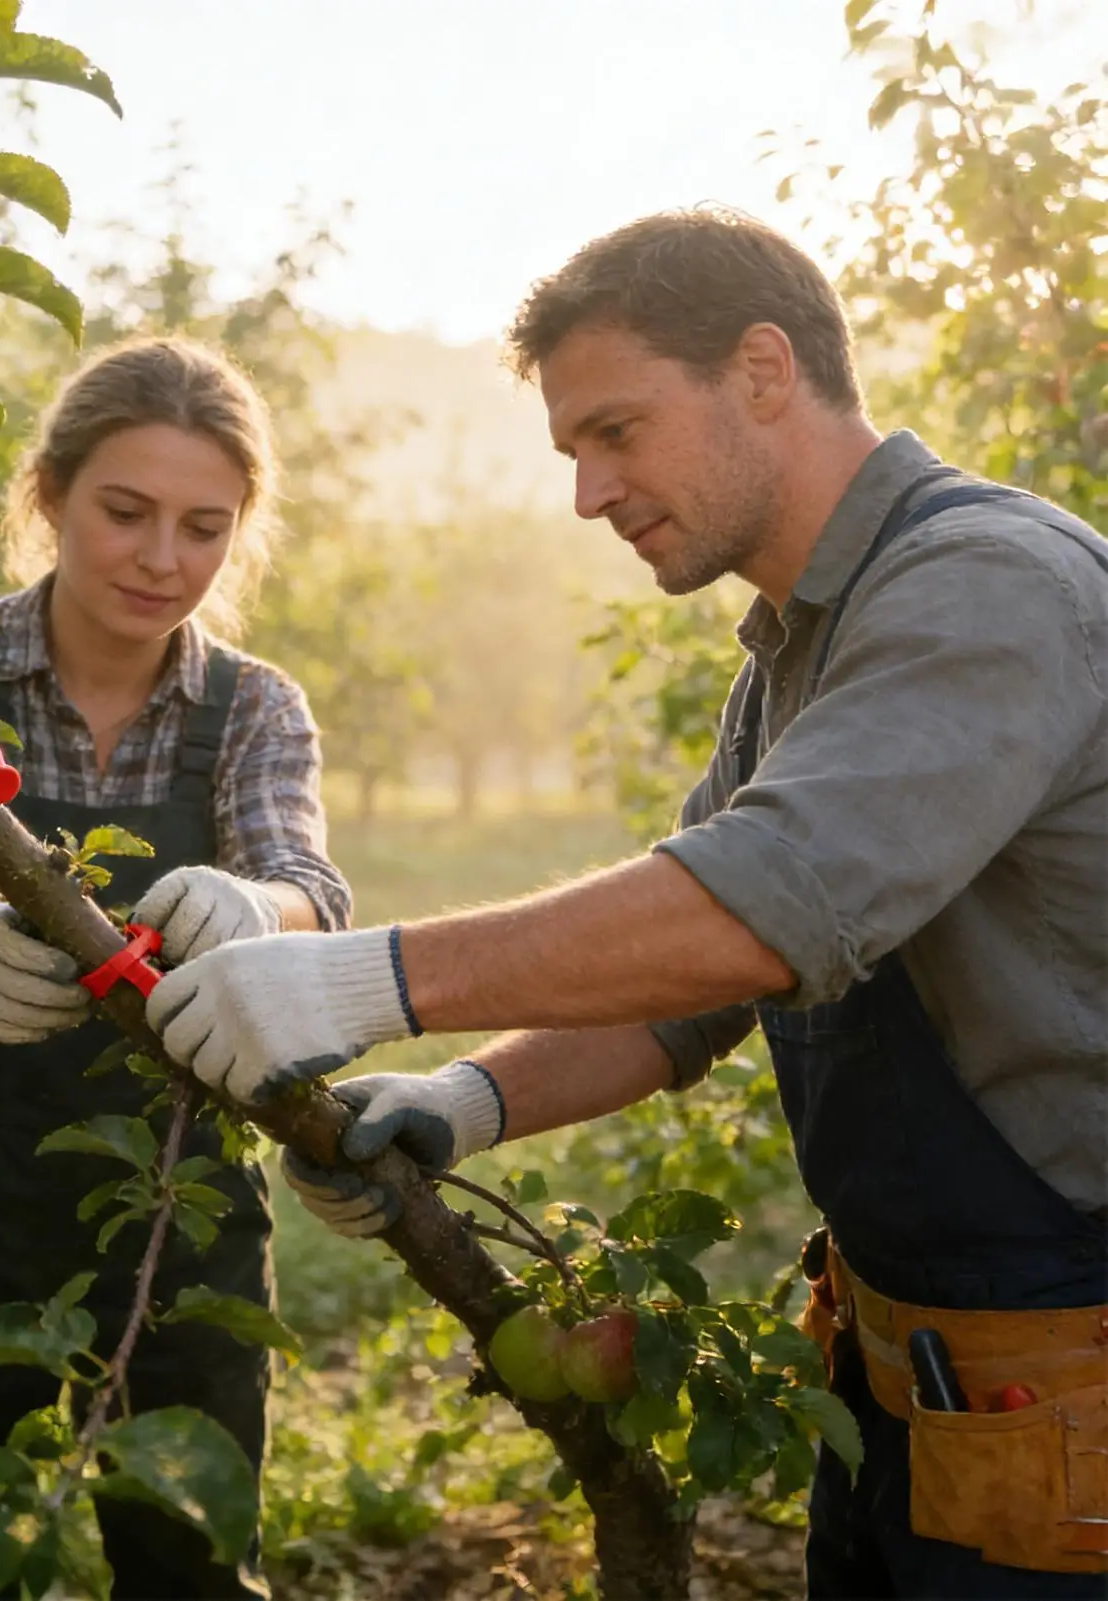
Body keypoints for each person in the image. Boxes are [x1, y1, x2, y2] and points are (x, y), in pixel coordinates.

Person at [144, 212, 1108, 1599]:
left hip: (1065, 1398)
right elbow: (692, 986)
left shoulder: (986, 589)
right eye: (570, 453)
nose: (589, 494)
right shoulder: (797, 647)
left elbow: (753, 913)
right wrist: (465, 1099)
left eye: (617, 430)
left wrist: (355, 979)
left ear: (763, 370)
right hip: (915, 1388)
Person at [0, 335, 351, 1601]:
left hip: (172, 1217)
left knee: (188, 1569)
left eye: (205, 527)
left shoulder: (250, 707)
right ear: (48, 496)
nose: (161, 559)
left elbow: (311, 892)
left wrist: (256, 903)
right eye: (126, 512)